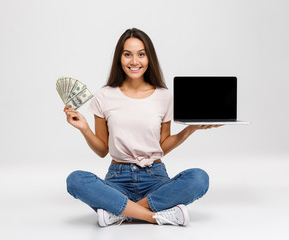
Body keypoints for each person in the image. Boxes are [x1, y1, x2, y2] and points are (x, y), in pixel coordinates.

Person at [64, 28, 222, 227]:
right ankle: (154, 215)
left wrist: (190, 129)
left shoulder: (164, 96)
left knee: (199, 178)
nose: (134, 61)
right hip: (117, 179)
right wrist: (84, 128)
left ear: (149, 58)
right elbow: (102, 150)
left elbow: (163, 145)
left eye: (141, 54)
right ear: (119, 58)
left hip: (155, 179)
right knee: (75, 180)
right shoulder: (104, 95)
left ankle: (119, 212)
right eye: (127, 54)